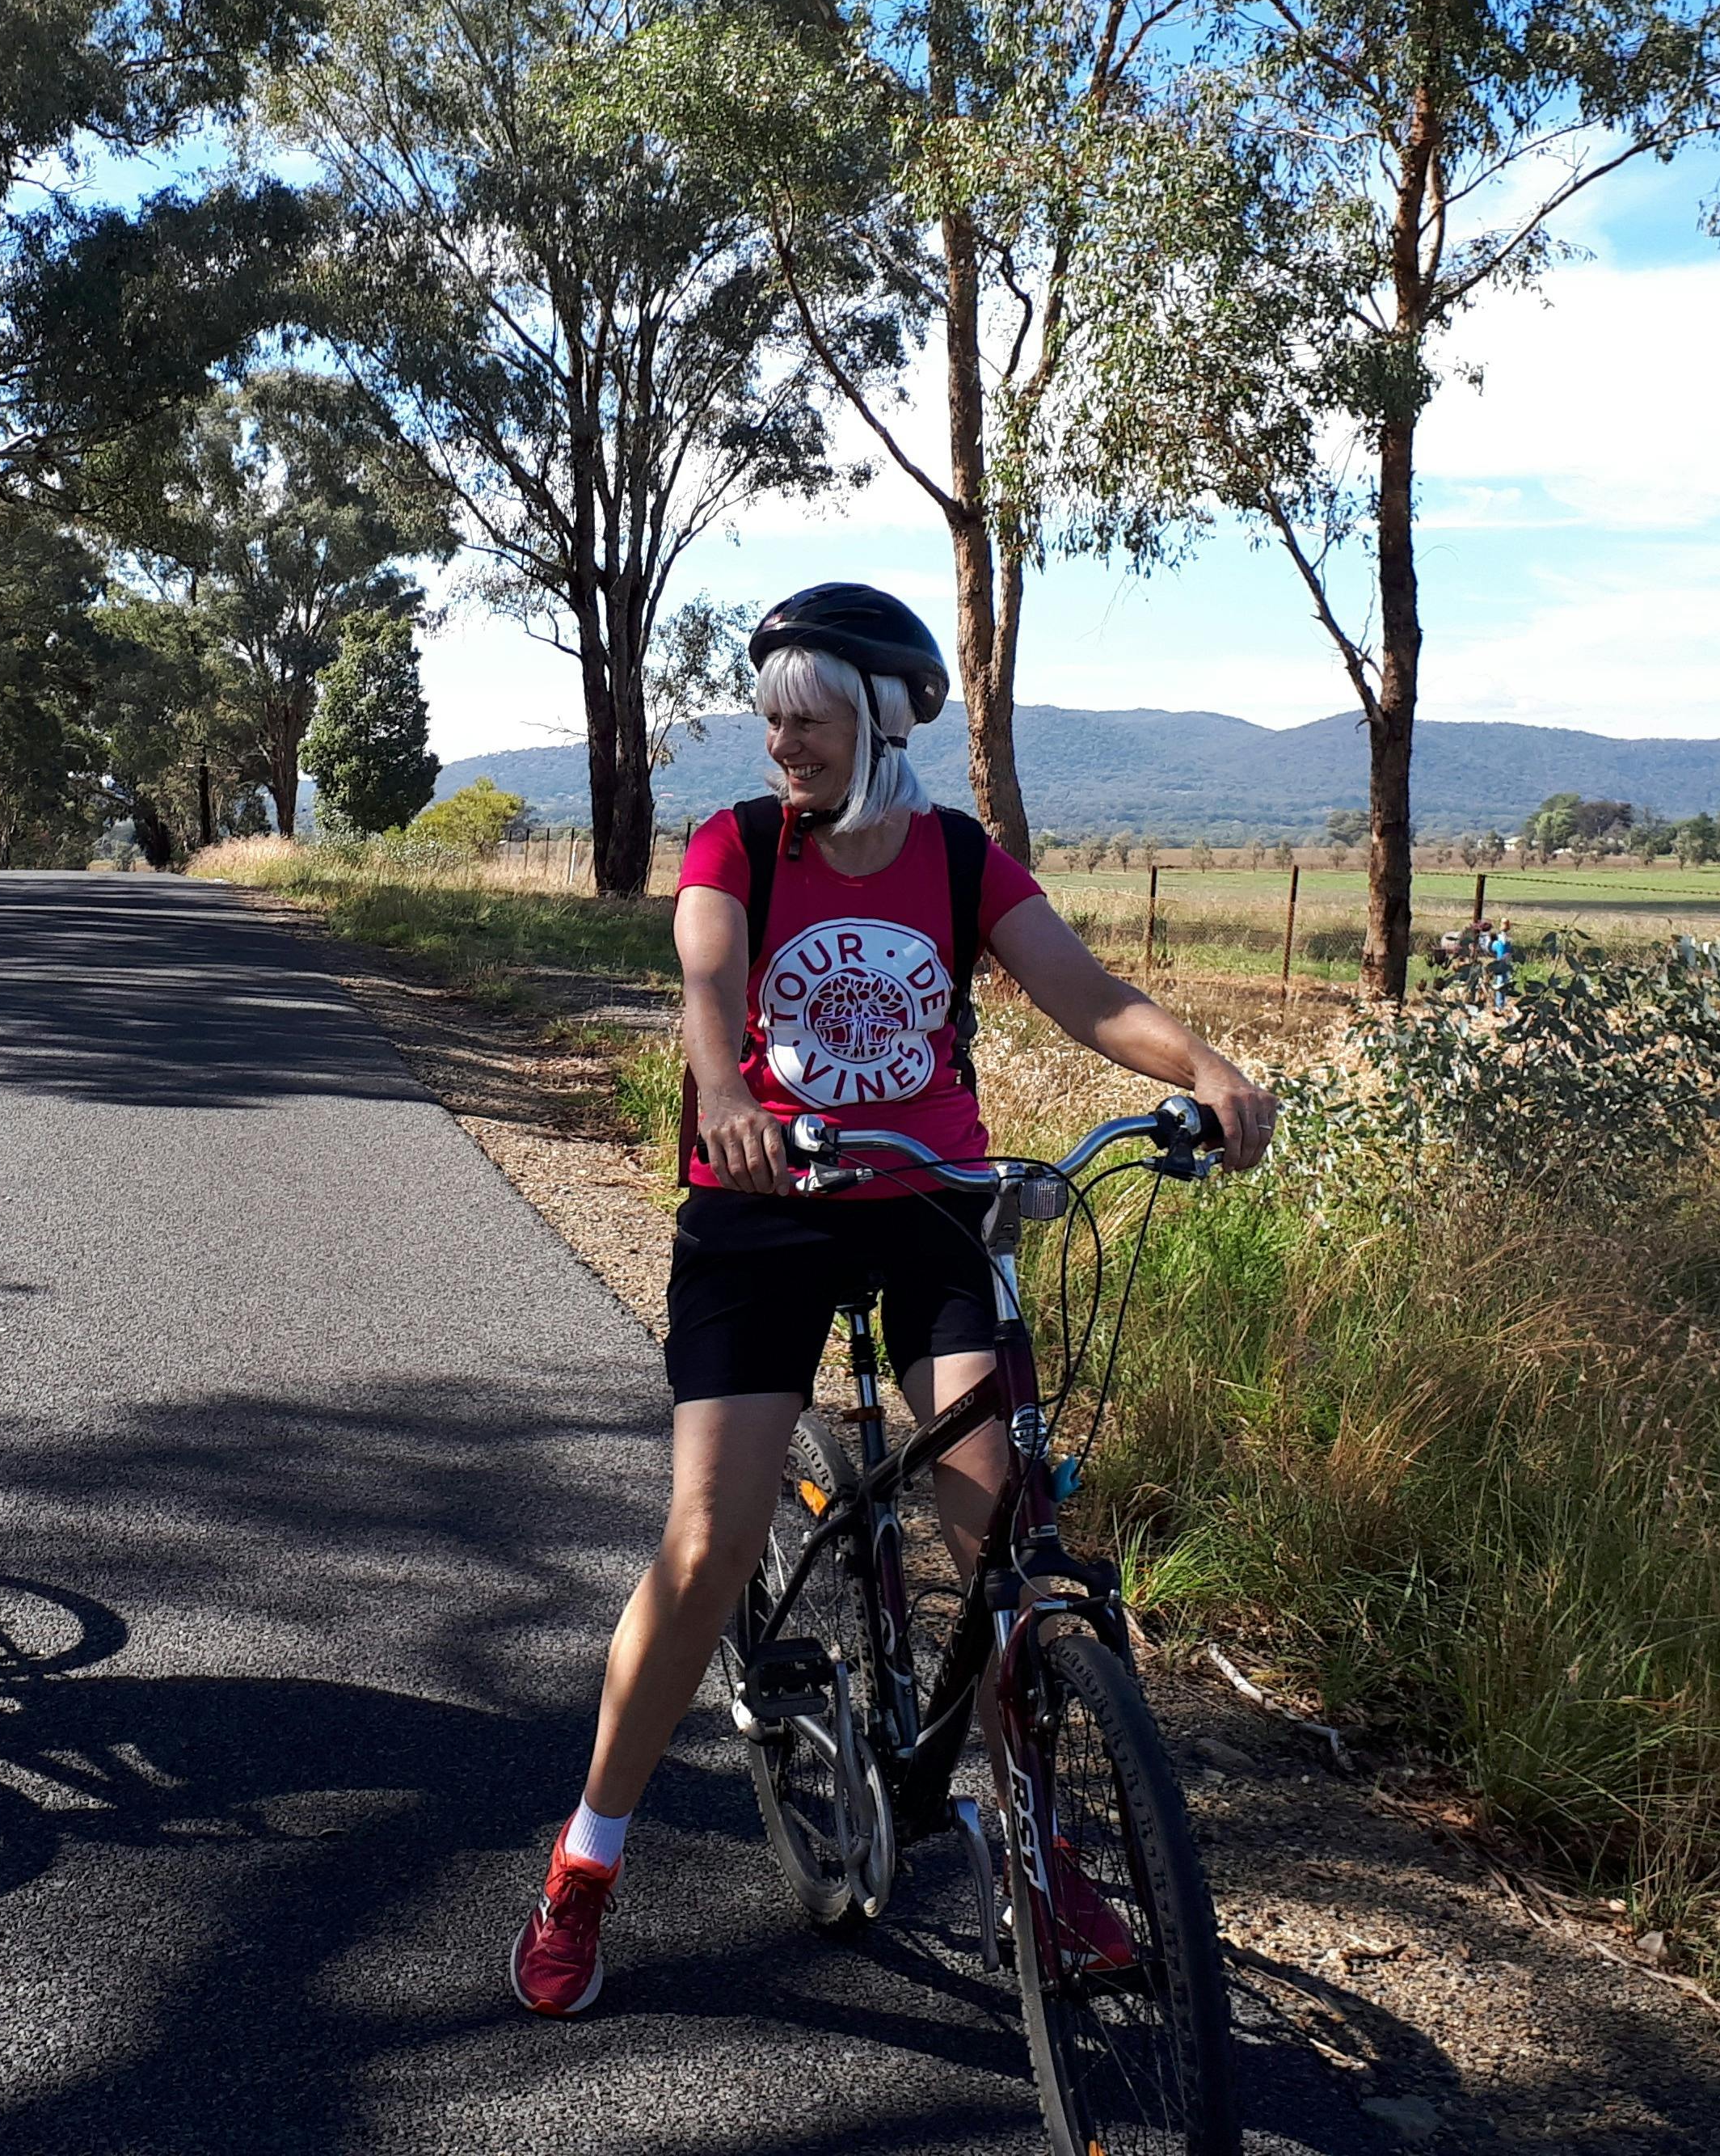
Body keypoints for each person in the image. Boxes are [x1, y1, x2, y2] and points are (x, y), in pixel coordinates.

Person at [509, 585, 1277, 2018]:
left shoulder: (956, 857)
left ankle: (1039, 1853)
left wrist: (1205, 1071)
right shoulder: (739, 843)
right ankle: (587, 1858)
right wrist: (726, 1091)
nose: (780, 741)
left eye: (807, 719)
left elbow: (1084, 989)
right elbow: (707, 976)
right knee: (707, 1540)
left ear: (878, 721)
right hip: (765, 1205)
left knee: (1001, 1540)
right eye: (771, 719)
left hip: (933, 1207)